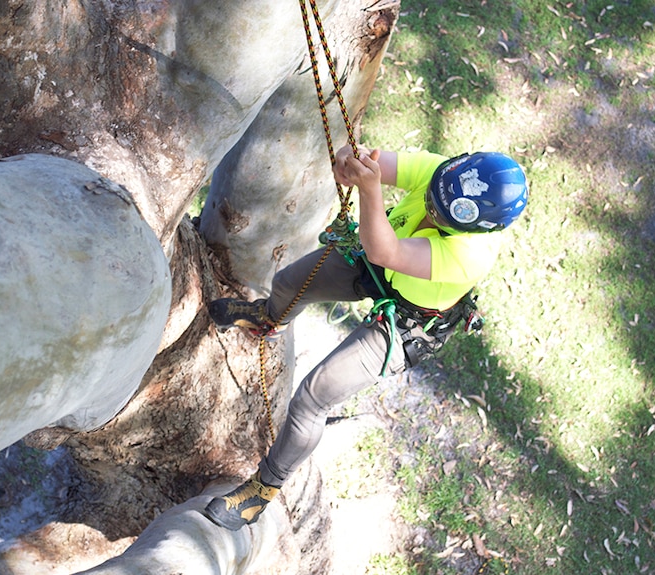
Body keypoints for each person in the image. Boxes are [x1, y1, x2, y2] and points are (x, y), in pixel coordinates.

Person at [202, 144, 528, 531]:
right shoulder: (446, 178)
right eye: (432, 195)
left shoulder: (471, 254)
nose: (429, 203)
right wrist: (351, 162)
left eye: (439, 213)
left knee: (312, 397)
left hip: (407, 321)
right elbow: (374, 162)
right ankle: (269, 319)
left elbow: (385, 249)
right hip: (376, 267)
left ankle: (264, 487)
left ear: (469, 225)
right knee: (289, 283)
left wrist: (369, 190)